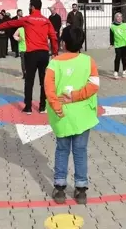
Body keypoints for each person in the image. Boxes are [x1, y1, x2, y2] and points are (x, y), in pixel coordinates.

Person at [45, 27, 98, 205]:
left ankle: (60, 187)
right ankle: (81, 189)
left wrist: (56, 105)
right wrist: (76, 96)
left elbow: (48, 88)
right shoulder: (89, 61)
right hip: (83, 115)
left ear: (63, 43)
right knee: (80, 150)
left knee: (62, 149)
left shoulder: (54, 63)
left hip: (62, 116)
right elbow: (94, 85)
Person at [0, 0, 58, 114]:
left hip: (31, 54)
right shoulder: (46, 20)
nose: (29, 8)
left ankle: (28, 107)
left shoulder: (27, 19)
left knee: (29, 80)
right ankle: (42, 106)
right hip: (44, 54)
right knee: (43, 81)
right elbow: (53, 36)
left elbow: (10, 23)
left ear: (32, 7)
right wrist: (54, 52)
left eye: (29, 6)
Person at [110, 12, 126, 79]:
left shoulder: (125, 25)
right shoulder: (112, 26)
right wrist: (111, 44)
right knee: (117, 57)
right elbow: (111, 36)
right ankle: (116, 72)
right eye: (118, 16)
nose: (119, 18)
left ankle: (124, 71)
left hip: (125, 43)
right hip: (117, 44)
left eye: (121, 17)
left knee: (124, 58)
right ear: (115, 18)